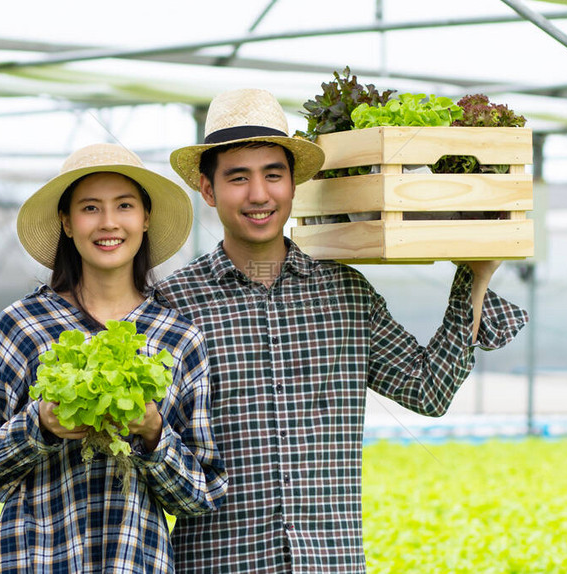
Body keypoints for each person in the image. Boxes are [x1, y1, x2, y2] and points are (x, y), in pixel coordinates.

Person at [153, 89, 529, 573]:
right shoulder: (172, 305)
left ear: (294, 184)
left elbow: (427, 390)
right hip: (217, 561)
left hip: (330, 562)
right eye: (238, 178)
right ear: (208, 190)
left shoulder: (347, 295)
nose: (259, 195)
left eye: (273, 175)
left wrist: (475, 275)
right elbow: (152, 450)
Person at [0, 142, 228, 573]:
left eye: (124, 206)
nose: (108, 223)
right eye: (90, 208)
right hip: (34, 557)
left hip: (134, 559)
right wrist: (40, 424)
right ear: (66, 223)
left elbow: (201, 493)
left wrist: (153, 433)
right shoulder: (23, 324)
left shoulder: (178, 338)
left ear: (145, 219)